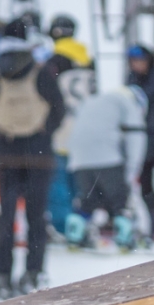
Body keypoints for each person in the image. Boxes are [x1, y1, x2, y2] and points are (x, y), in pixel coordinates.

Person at [0, 23, 66, 298]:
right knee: (37, 217)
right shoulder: (41, 72)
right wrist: (41, 134)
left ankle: (2, 273)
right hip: (39, 155)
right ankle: (33, 273)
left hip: (7, 154)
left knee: (7, 216)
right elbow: (58, 110)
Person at [67, 84, 147, 248]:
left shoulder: (92, 101)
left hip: (79, 159)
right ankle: (126, 237)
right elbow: (136, 137)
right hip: (108, 159)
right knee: (120, 200)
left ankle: (74, 235)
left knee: (87, 199)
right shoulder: (127, 101)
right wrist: (131, 171)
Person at [45, 14, 96, 234]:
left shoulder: (53, 61)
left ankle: (66, 227)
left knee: (59, 183)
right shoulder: (88, 60)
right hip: (86, 128)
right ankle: (82, 222)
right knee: (81, 183)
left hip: (62, 130)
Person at [127, 45, 154, 241]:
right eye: (133, 61)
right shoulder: (131, 81)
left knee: (152, 187)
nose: (137, 65)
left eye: (141, 60)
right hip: (138, 142)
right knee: (144, 188)